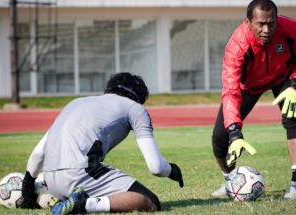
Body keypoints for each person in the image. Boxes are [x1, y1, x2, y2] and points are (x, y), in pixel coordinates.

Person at [20, 72, 184, 214]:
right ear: (138, 97)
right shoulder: (135, 108)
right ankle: (83, 205)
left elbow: (38, 153)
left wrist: (27, 188)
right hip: (80, 173)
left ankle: (69, 200)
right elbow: (156, 167)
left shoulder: (75, 102)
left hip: (51, 180)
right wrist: (172, 170)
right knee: (150, 201)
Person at [211, 0, 296, 199]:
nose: (267, 29)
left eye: (271, 23)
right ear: (247, 22)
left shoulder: (292, 29)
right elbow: (231, 91)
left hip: (283, 77)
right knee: (220, 138)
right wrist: (234, 132)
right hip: (248, 86)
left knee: (293, 116)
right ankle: (230, 180)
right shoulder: (237, 45)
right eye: (261, 24)